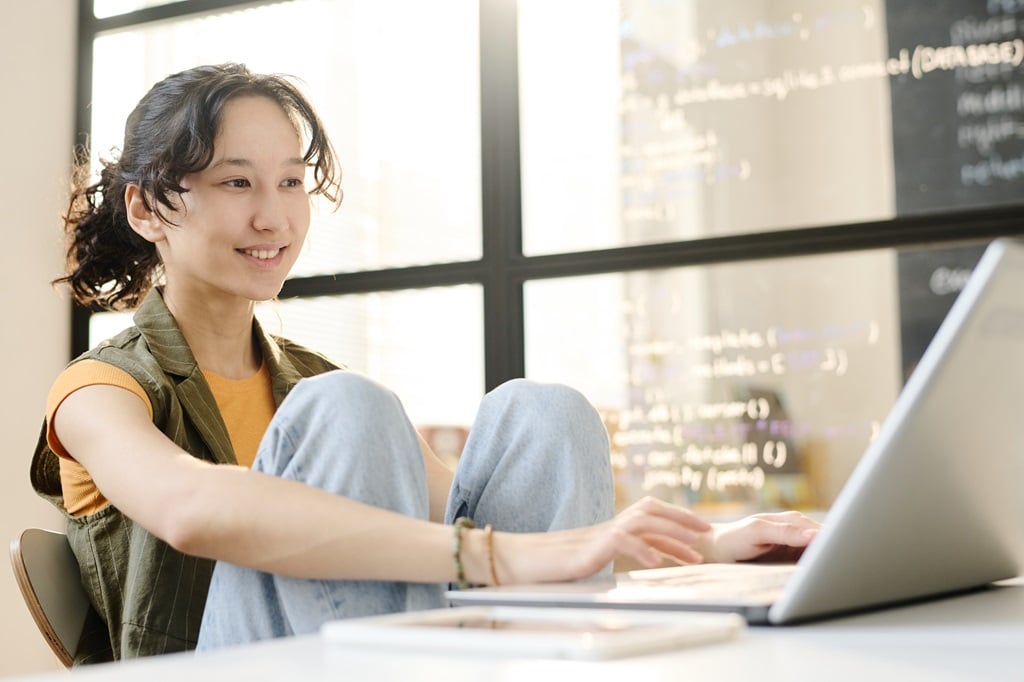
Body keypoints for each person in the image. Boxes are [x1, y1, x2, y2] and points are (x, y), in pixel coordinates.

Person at [30, 63, 820, 664]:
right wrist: (489, 555)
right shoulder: (102, 389)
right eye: (237, 182)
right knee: (347, 405)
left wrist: (708, 544)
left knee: (544, 412)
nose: (272, 216)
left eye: (292, 183)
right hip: (227, 669)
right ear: (145, 207)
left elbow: (476, 514)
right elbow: (191, 508)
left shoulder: (304, 380)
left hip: (376, 649)